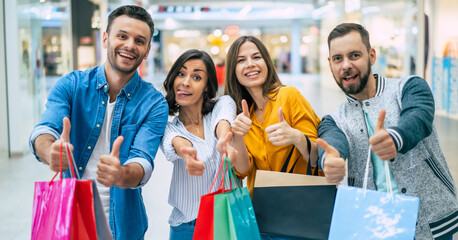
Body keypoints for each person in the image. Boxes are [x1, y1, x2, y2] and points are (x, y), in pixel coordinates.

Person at [28, 5, 168, 239]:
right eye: (122, 36)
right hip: (70, 218)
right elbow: (44, 130)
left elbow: (142, 161)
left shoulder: (154, 103)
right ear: (105, 39)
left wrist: (121, 174)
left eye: (139, 40)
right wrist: (50, 150)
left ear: (147, 50)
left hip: (123, 226)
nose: (130, 45)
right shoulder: (71, 86)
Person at [318, 23, 458, 240]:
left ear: (371, 56)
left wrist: (395, 138)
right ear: (330, 64)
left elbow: (418, 117)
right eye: (338, 58)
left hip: (429, 219)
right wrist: (330, 159)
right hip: (376, 224)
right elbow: (332, 141)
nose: (346, 65)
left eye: (354, 55)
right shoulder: (334, 120)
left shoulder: (409, 87)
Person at [224, 35, 322, 195]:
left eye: (256, 57)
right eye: (241, 60)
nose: (250, 64)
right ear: (233, 71)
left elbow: (317, 157)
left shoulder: (289, 96)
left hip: (302, 202)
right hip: (263, 209)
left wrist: (296, 137)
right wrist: (238, 136)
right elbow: (242, 171)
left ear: (267, 63)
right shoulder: (243, 115)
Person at [160, 49, 237, 240]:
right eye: (181, 73)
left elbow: (223, 121)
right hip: (187, 228)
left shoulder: (222, 104)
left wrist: (223, 142)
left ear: (206, 85)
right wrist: (187, 154)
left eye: (196, 77)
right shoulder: (169, 128)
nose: (185, 82)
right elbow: (178, 143)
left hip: (226, 222)